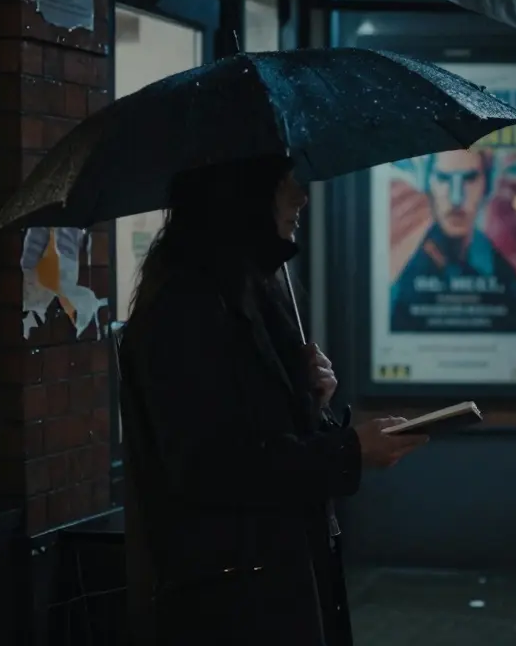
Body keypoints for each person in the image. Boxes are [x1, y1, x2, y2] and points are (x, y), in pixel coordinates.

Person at [118, 156, 429, 645]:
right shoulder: (186, 309)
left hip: (279, 583)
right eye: (284, 182)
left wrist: (314, 401)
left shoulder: (251, 294)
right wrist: (349, 450)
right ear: (241, 192)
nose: (301, 196)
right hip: (231, 603)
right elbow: (210, 467)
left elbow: (266, 434)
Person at [389, 148, 516, 332]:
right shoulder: (402, 285)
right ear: (426, 183)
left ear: (488, 185)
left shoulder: (509, 281)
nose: (456, 198)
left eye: (469, 179)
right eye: (444, 178)